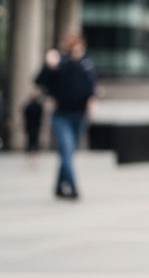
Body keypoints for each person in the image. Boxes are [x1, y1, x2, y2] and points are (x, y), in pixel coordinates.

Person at [35, 34, 97, 199]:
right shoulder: (60, 63)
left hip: (79, 115)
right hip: (62, 115)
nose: (78, 52)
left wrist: (92, 107)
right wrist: (48, 65)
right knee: (67, 149)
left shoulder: (86, 65)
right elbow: (40, 81)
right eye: (74, 49)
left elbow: (92, 89)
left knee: (68, 153)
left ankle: (59, 187)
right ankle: (73, 186)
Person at [23, 88, 45, 165]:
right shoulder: (37, 106)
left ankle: (32, 155)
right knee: (34, 140)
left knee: (31, 140)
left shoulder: (30, 106)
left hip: (31, 125)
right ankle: (33, 155)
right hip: (34, 125)